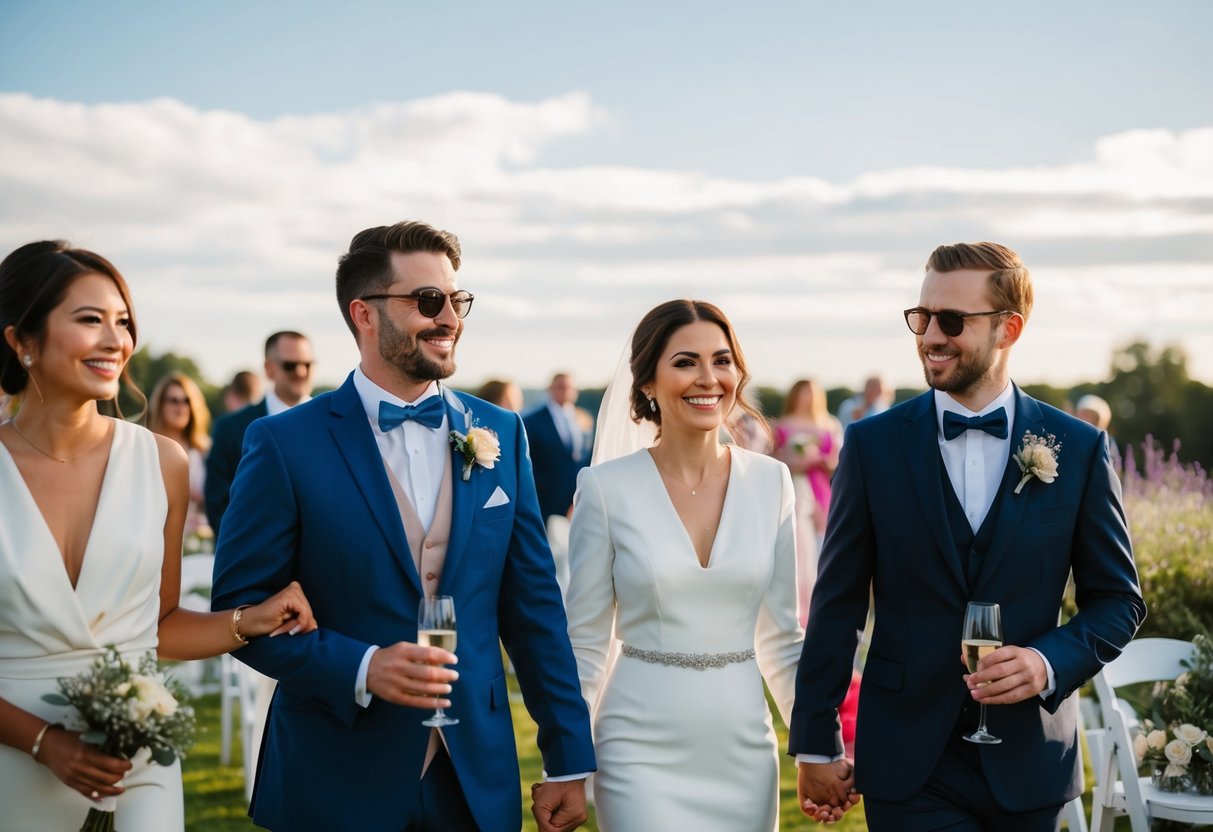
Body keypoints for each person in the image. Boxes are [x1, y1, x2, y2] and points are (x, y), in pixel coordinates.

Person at [210, 220, 595, 832]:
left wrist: (568, 755)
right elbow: (240, 611)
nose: (449, 317)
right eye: (427, 301)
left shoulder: (501, 431)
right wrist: (362, 667)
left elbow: (534, 610)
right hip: (337, 769)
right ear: (364, 314)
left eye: (456, 300)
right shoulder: (283, 443)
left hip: (475, 775)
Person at [789, 242, 1146, 830]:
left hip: (1031, 760)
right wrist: (815, 738)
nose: (930, 335)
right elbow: (838, 601)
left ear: (1009, 328)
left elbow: (1119, 601)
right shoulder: (872, 446)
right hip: (907, 761)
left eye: (951, 320)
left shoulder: (1077, 449)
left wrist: (1045, 661)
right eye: (921, 317)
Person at [0, 240, 317, 831]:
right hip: (13, 761)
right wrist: (44, 742)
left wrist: (248, 619)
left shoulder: (161, 463)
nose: (115, 340)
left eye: (123, 322)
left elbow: (161, 627)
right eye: (90, 319)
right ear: (23, 341)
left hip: (139, 762)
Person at [565, 299, 803, 831]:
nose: (709, 378)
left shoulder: (772, 483)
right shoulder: (605, 489)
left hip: (743, 748)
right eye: (685, 361)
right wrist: (567, 762)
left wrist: (813, 746)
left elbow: (783, 638)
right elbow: (585, 643)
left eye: (722, 360)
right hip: (635, 749)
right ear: (647, 382)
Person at [204, 331, 313, 538]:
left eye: (307, 364)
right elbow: (218, 503)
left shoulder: (332, 423)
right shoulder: (231, 428)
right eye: (290, 365)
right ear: (269, 369)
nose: (300, 372)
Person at [773, 379, 842, 622]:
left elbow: (837, 462)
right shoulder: (782, 425)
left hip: (821, 492)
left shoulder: (829, 424)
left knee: (822, 549)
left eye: (812, 394)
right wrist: (795, 461)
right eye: (804, 393)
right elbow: (774, 458)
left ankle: (818, 607)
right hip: (793, 488)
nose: (808, 398)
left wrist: (822, 461)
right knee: (795, 549)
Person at [148, 371, 212, 537]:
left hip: (197, 537)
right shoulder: (147, 446)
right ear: (160, 404)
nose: (180, 407)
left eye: (186, 401)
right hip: (155, 531)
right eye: (174, 401)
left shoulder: (206, 450)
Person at [523, 373, 593, 523]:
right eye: (561, 387)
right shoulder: (532, 421)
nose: (566, 391)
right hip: (545, 501)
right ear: (551, 389)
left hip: (578, 499)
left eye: (570, 388)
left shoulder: (584, 418)